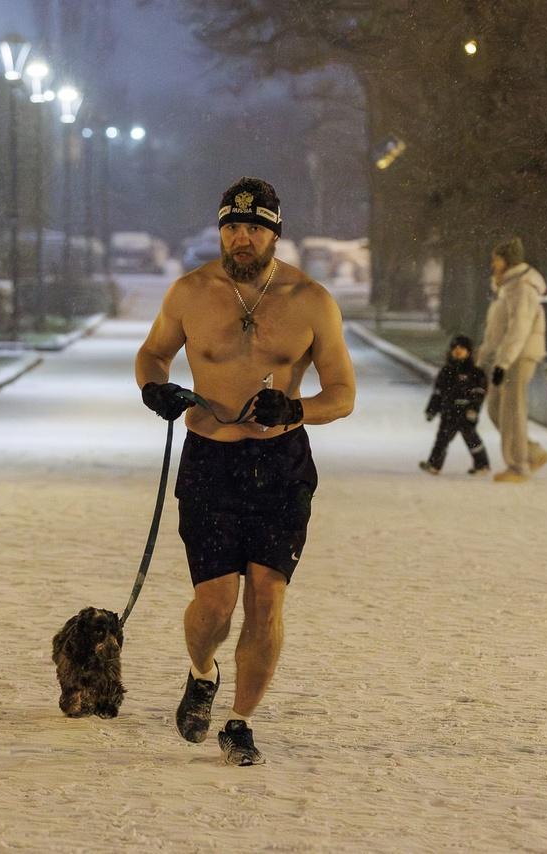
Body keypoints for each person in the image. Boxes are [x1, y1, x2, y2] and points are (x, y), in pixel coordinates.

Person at [135, 177, 355, 766]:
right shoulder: (190, 292)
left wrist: (298, 408)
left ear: (274, 235)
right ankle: (201, 672)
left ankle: (240, 722)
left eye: (255, 228)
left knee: (266, 598)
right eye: (232, 226)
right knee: (214, 605)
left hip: (281, 466)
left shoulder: (311, 301)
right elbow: (152, 353)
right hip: (210, 460)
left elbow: (343, 394)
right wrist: (155, 388)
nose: (241, 238)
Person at [476, 237, 547, 483]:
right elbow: (497, 331)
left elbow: (519, 327)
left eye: (496, 259)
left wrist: (504, 362)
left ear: (507, 260)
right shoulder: (508, 286)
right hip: (507, 358)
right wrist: (483, 360)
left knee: (512, 411)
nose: (492, 264)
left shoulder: (522, 287)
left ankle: (519, 466)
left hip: (519, 357)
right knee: (496, 408)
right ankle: (531, 452)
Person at [419, 335, 490, 476]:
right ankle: (434, 464)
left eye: (462, 348)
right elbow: (438, 393)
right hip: (449, 412)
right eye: (455, 348)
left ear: (468, 351)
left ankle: (482, 465)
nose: (458, 351)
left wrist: (474, 409)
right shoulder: (446, 372)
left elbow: (479, 394)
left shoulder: (476, 373)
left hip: (466, 413)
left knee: (472, 439)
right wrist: (432, 410)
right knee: (442, 439)